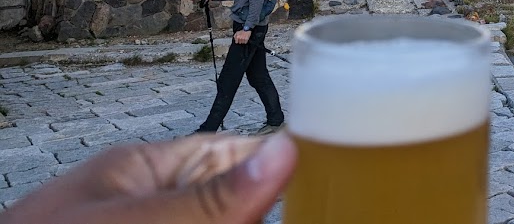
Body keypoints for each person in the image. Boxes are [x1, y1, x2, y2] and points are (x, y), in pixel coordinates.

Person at [0, 132, 296, 223]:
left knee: (237, 75)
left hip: (248, 27)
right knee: (248, 75)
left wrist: (246, 25)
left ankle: (217, 118)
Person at [195, 0, 285, 134]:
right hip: (247, 26)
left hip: (248, 28)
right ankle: (276, 121)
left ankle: (206, 133)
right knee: (258, 76)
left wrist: (247, 29)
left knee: (228, 80)